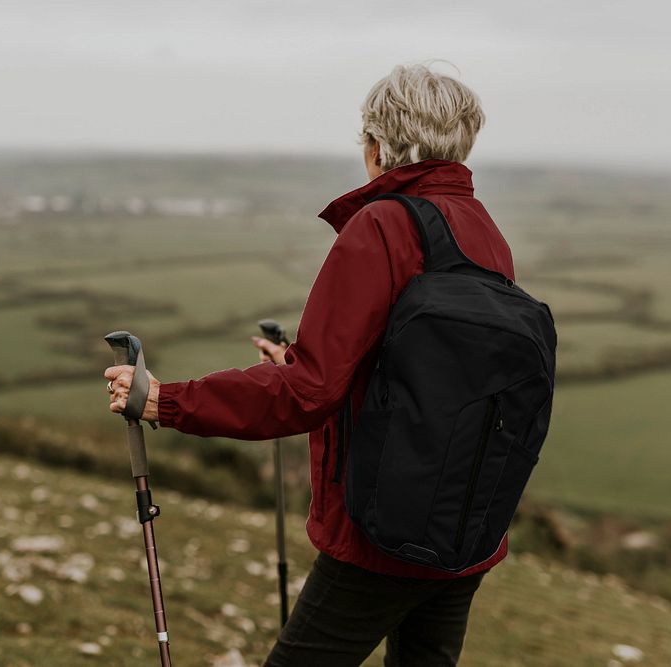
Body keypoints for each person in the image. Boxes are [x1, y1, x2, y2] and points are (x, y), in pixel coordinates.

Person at [104, 63, 514, 666]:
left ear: (377, 146)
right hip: (465, 528)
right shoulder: (484, 233)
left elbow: (309, 393)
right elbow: (429, 372)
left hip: (381, 531)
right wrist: (302, 360)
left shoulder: (381, 224)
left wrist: (169, 400)